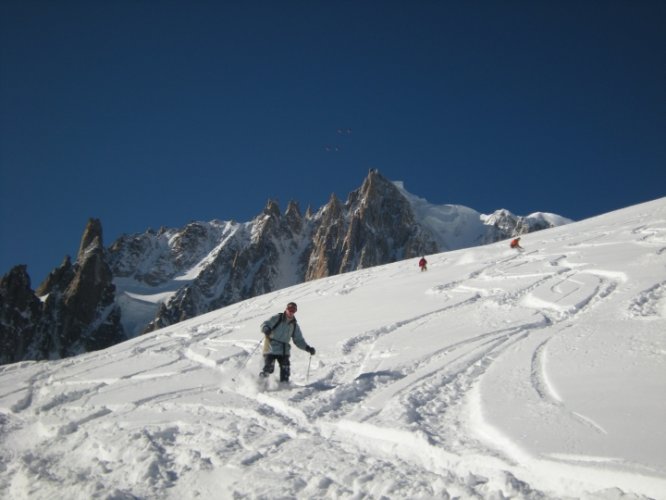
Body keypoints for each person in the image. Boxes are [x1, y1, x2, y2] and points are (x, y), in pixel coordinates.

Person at [259, 302, 315, 383]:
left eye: (293, 310)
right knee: (269, 368)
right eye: (290, 309)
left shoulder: (294, 325)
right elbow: (265, 324)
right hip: (270, 347)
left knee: (285, 369)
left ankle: (284, 388)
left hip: (284, 350)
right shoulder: (277, 318)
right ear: (286, 309)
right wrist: (266, 328)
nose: (291, 312)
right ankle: (259, 385)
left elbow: (298, 340)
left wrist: (307, 348)